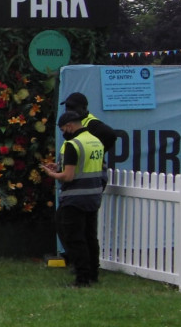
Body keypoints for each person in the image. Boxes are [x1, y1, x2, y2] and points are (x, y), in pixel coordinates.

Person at [42, 111, 105, 288]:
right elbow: (86, 166)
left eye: (63, 129)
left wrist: (52, 173)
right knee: (90, 237)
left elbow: (68, 176)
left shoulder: (73, 144)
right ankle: (93, 274)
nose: (63, 133)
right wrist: (60, 166)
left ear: (69, 126)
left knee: (75, 238)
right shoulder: (95, 141)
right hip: (93, 195)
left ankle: (82, 278)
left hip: (75, 197)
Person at [60, 92, 117, 171]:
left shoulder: (92, 123)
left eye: (72, 107)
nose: (69, 111)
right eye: (67, 107)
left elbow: (111, 135)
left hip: (87, 176)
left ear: (84, 108)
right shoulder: (75, 122)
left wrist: (95, 152)